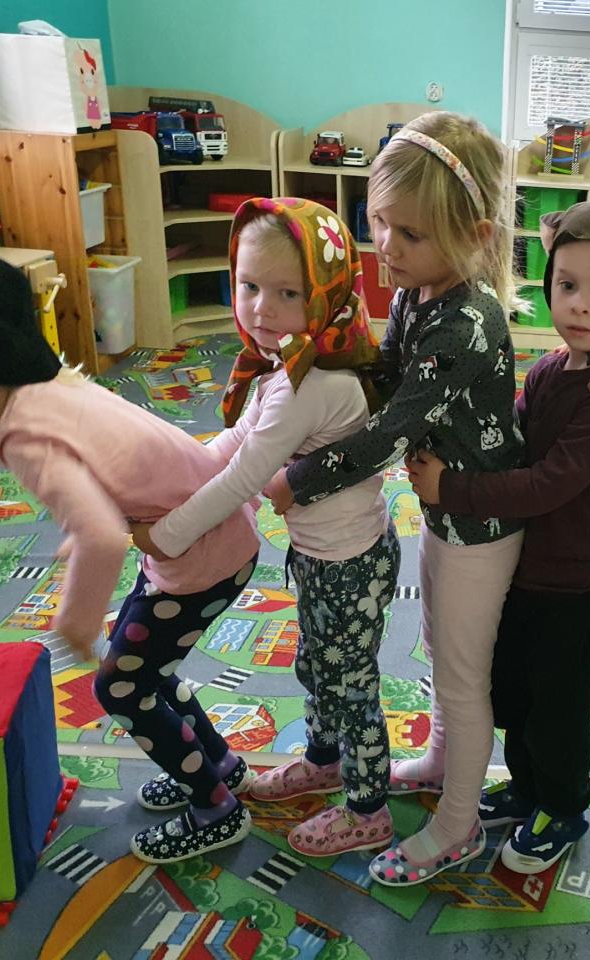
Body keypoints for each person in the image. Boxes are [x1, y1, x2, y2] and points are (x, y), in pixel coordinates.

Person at [0, 244, 263, 864]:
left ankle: (216, 806)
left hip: (200, 557)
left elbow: (105, 535)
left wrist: (77, 619)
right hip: (211, 540)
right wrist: (85, 530)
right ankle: (217, 765)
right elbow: (108, 471)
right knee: (150, 671)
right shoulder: (51, 385)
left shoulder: (24, 435)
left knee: (123, 687)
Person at [267, 112, 524, 885]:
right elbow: (383, 376)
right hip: (448, 513)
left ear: (474, 236)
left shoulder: (465, 322)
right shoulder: (420, 293)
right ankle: (443, 763)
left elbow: (387, 433)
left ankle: (457, 826)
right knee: (444, 649)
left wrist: (295, 479)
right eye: (378, 222)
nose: (387, 245)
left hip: (482, 525)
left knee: (462, 676)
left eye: (409, 233)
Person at [130, 198, 399, 858]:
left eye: (287, 293)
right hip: (320, 555)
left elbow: (244, 478)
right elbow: (235, 441)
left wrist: (168, 534)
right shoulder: (291, 364)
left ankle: (368, 809)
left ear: (327, 293)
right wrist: (175, 477)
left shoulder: (309, 383)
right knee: (317, 666)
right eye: (248, 286)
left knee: (349, 686)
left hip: (347, 563)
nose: (260, 309)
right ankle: (325, 762)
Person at [409, 199, 590, 873]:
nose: (579, 304)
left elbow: (550, 483)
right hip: (526, 574)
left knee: (558, 712)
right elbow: (513, 438)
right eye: (567, 284)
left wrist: (453, 489)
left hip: (580, 590)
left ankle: (563, 807)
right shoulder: (553, 368)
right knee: (515, 697)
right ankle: (527, 788)